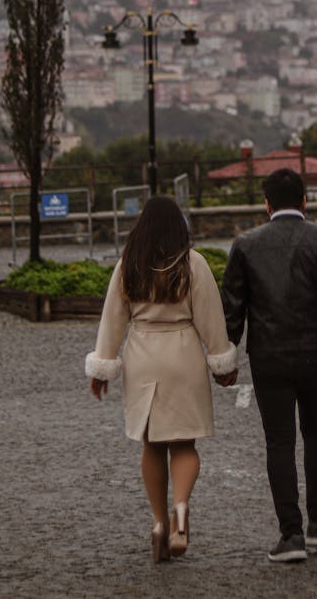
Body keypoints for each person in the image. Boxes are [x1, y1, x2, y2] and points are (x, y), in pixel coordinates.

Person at [220, 167, 317, 563]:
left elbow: (231, 307)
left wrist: (225, 356)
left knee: (278, 441)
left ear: (266, 204)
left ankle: (291, 535)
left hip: (269, 354)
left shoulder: (245, 245)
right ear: (305, 200)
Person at [86, 195, 238, 564]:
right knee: (184, 444)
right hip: (183, 353)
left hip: (143, 355)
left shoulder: (128, 266)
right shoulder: (194, 264)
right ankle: (180, 511)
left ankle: (157, 522)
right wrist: (223, 363)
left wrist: (103, 365)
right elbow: (211, 318)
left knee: (152, 444)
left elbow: (112, 319)